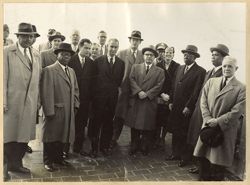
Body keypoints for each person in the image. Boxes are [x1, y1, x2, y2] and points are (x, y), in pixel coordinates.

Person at [193, 56, 245, 181]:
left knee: (217, 166)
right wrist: (207, 117)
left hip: (224, 131)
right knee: (203, 161)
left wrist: (218, 121)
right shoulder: (212, 81)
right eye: (224, 66)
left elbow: (237, 111)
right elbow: (203, 100)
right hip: (208, 127)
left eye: (230, 66)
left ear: (236, 68)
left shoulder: (241, 88)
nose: (226, 69)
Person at [4, 23, 41, 180]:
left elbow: (37, 81)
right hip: (12, 103)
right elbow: (2, 79)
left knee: (23, 137)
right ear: (18, 36)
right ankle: (3, 169)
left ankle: (16, 164)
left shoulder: (36, 54)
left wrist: (37, 101)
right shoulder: (7, 52)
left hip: (30, 104)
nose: (29, 39)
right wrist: (3, 102)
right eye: (25, 35)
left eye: (31, 36)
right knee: (8, 137)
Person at [187, 44, 229, 174]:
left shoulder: (223, 73)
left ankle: (202, 167)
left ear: (223, 58)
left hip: (210, 112)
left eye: (216, 55)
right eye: (212, 54)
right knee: (196, 136)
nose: (213, 56)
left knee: (205, 138)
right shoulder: (209, 72)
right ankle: (198, 164)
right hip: (200, 109)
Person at [40, 43, 79, 172]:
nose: (66, 56)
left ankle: (58, 158)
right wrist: (49, 111)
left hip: (68, 111)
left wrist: (76, 104)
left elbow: (76, 90)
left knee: (62, 136)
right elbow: (46, 92)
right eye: (62, 53)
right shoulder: (49, 70)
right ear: (57, 55)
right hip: (55, 110)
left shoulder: (71, 71)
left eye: (68, 54)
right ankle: (47, 161)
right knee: (50, 136)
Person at [167, 45, 206, 167]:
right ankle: (175, 153)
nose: (185, 55)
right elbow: (174, 86)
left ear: (194, 57)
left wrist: (189, 106)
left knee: (184, 132)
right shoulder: (179, 68)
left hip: (186, 109)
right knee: (175, 130)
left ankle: (185, 157)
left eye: (188, 54)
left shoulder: (200, 71)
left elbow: (196, 91)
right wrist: (171, 101)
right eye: (184, 53)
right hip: (176, 106)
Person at [126, 45, 165, 156]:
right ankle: (134, 145)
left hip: (149, 101)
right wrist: (138, 91)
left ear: (154, 57)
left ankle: (144, 146)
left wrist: (147, 94)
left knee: (147, 125)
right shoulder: (135, 67)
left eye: (151, 55)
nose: (148, 57)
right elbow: (131, 79)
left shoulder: (159, 71)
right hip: (137, 100)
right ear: (143, 56)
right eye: (147, 55)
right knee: (135, 126)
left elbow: (159, 85)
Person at [90, 38, 125, 158]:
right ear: (107, 47)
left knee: (108, 124)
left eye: (115, 47)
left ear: (117, 48)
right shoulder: (98, 61)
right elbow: (93, 81)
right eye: (111, 46)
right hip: (99, 99)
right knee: (96, 124)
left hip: (112, 100)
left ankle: (104, 147)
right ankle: (94, 149)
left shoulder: (121, 63)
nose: (113, 49)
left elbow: (118, 81)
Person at [112, 30, 144, 148]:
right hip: (123, 90)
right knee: (119, 115)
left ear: (140, 42)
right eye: (133, 40)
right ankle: (114, 138)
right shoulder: (122, 53)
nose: (135, 42)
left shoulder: (143, 55)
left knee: (134, 116)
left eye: (137, 40)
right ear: (130, 40)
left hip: (136, 91)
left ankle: (134, 142)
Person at [68, 39, 96, 155]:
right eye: (86, 48)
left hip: (85, 100)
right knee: (70, 123)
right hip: (72, 98)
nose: (88, 50)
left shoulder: (91, 63)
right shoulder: (71, 60)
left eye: (89, 48)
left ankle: (77, 147)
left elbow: (93, 82)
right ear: (79, 47)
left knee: (81, 124)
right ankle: (66, 148)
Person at [155, 47, 180, 149]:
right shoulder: (158, 65)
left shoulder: (177, 66)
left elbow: (176, 83)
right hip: (159, 95)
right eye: (166, 52)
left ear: (173, 54)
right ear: (163, 54)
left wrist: (170, 96)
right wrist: (161, 94)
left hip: (170, 96)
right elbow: (155, 81)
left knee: (166, 119)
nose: (168, 54)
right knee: (157, 118)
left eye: (170, 53)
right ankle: (156, 138)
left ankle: (162, 138)